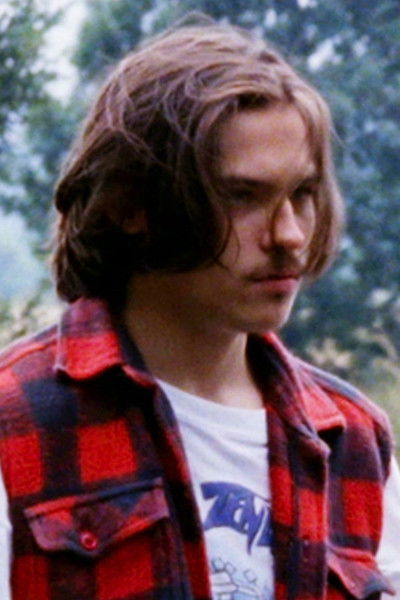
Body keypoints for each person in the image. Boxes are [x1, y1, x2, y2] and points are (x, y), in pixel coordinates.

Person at [0, 19, 399, 600]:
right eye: (241, 196)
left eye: (302, 194)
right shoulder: (15, 423)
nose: (289, 235)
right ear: (131, 205)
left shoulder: (352, 440)